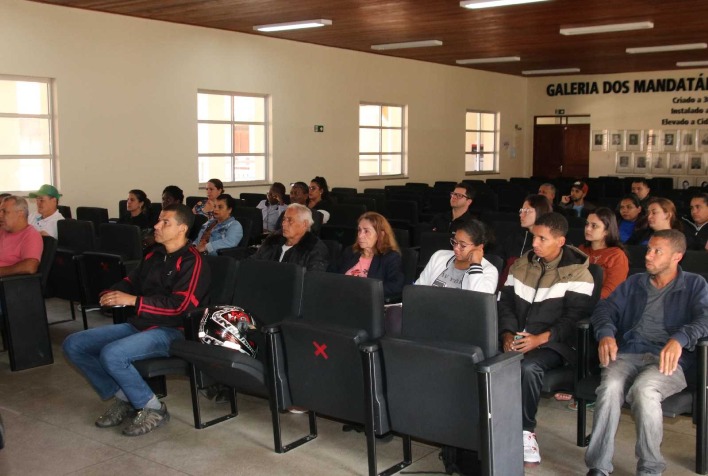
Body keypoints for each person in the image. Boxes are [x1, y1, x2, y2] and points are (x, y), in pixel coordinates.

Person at [62, 204, 210, 437]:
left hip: (173, 331)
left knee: (113, 354)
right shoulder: (154, 254)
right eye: (158, 220)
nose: (156, 226)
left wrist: (133, 301)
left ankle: (153, 408)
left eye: (165, 222)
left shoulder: (193, 261)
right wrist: (112, 293)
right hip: (141, 324)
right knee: (74, 344)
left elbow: (180, 308)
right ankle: (126, 397)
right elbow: (131, 282)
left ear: (182, 228)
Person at [584, 230, 708, 476]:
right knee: (609, 388)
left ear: (677, 257)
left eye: (657, 251)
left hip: (669, 359)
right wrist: (606, 333)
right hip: (629, 353)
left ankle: (650, 468)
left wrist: (679, 338)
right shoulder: (634, 282)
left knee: (644, 390)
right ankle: (599, 466)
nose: (648, 256)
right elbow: (604, 309)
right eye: (649, 249)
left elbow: (705, 318)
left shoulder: (694, 284)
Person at [498, 212, 595, 466]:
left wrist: (540, 339)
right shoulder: (521, 264)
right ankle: (491, 427)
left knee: (529, 367)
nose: (535, 243)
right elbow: (505, 303)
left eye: (542, 238)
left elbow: (575, 320)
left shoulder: (578, 273)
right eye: (534, 237)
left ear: (561, 241)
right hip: (519, 337)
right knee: (481, 357)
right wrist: (507, 333)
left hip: (557, 345)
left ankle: (525, 432)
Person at [416, 218, 498, 293]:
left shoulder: (489, 271)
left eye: (463, 245)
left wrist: (476, 265)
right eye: (455, 242)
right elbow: (418, 288)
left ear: (479, 247)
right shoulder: (439, 256)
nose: (456, 248)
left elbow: (480, 302)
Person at [336, 212, 404, 299]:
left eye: (366, 231)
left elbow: (396, 286)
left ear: (381, 235)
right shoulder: (351, 252)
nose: (360, 236)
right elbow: (332, 273)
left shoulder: (390, 257)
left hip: (366, 302)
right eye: (359, 230)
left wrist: (364, 290)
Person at [252, 203, 329, 272]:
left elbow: (312, 280)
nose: (283, 224)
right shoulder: (273, 240)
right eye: (284, 219)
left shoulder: (314, 248)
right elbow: (252, 262)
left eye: (290, 220)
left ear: (305, 224)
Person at [496, 194, 553, 276]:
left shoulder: (550, 240)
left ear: (540, 212)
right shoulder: (514, 234)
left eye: (526, 211)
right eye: (521, 210)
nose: (521, 214)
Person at [578, 208, 629, 299]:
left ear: (607, 231)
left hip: (600, 304)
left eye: (594, 226)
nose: (588, 229)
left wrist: (587, 302)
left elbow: (612, 290)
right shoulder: (581, 249)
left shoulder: (617, 256)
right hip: (576, 300)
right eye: (587, 224)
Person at [0, 196, 43, 277]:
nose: (0, 215)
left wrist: (1, 271)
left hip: (7, 285)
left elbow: (30, 267)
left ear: (20, 213)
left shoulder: (31, 235)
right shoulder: (3, 230)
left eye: (4, 212)